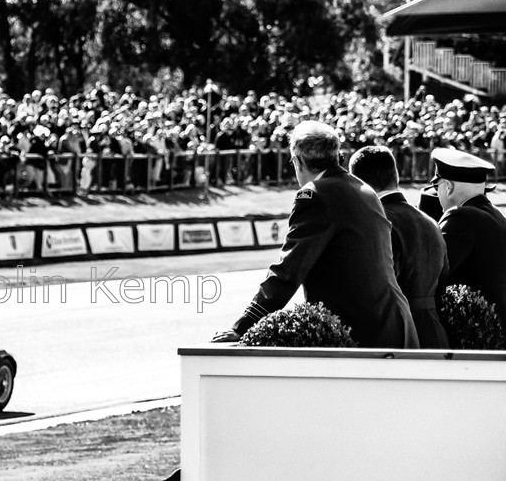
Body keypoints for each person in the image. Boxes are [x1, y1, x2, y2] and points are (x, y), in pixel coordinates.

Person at [212, 121, 419, 349]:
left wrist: (243, 325)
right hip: (394, 323)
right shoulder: (364, 189)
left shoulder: (316, 194)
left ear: (298, 161)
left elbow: (288, 270)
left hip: (362, 330)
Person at [349, 146, 449, 348]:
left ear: (358, 183)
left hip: (398, 334)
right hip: (435, 332)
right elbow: (444, 276)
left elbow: (378, 286)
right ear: (395, 174)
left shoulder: (377, 221)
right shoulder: (429, 221)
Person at [426, 147, 506, 320]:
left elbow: (431, 275)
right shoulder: (496, 215)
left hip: (475, 332)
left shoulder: (461, 217)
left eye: (435, 186)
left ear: (448, 187)